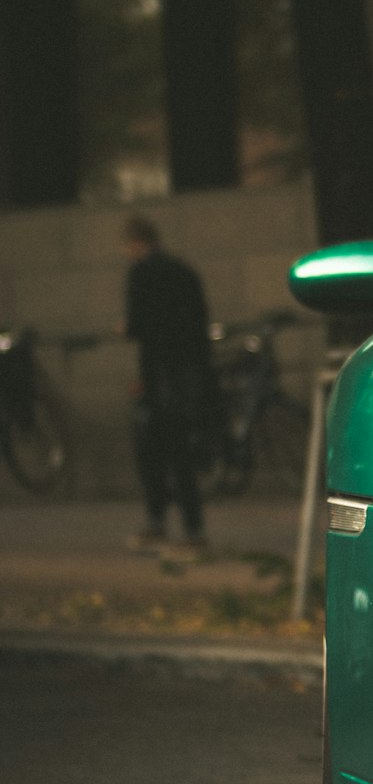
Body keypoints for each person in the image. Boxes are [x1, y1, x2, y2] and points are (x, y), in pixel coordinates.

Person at [121, 215, 215, 555]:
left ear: (133, 242)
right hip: (190, 373)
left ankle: (158, 521)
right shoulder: (184, 271)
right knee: (182, 453)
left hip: (159, 375)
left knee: (152, 452)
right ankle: (194, 526)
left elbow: (137, 325)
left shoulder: (140, 274)